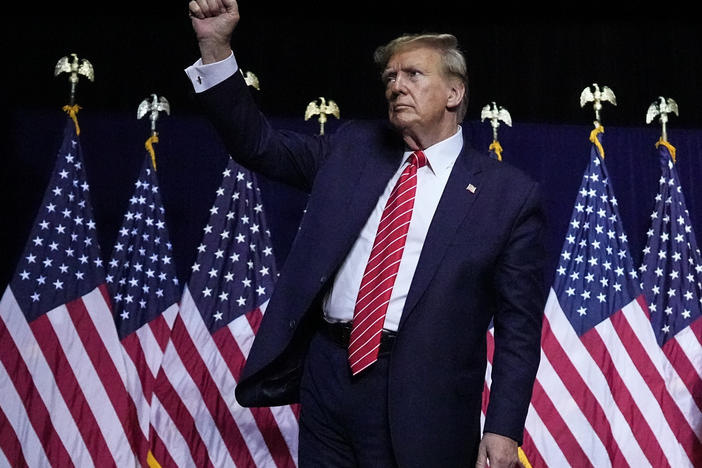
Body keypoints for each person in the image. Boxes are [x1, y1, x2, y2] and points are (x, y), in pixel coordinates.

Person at [186, 1, 546, 466]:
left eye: (413, 75)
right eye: (390, 78)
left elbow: (519, 327)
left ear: (455, 92)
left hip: (422, 398)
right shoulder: (354, 148)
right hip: (328, 376)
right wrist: (215, 47)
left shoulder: (508, 195)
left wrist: (503, 428)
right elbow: (259, 146)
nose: (396, 86)